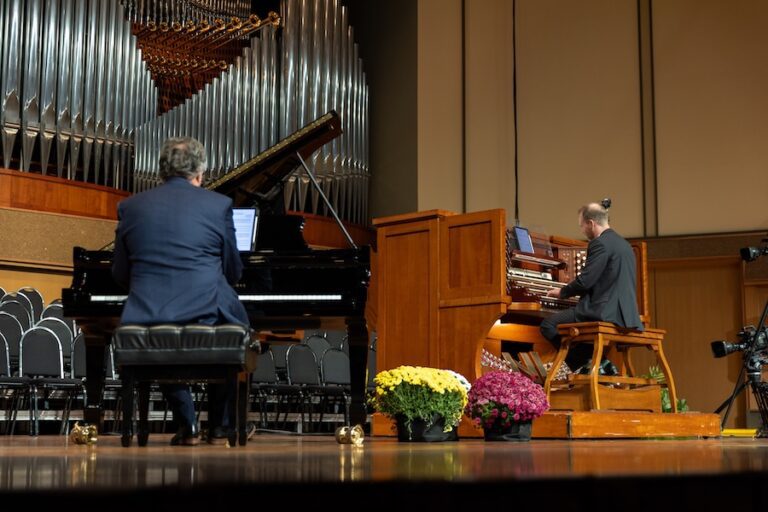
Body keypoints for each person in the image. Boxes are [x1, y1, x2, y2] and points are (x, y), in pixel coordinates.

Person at [112, 137, 249, 446]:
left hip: (149, 311)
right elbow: (233, 270)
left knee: (160, 331)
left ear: (162, 171)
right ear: (200, 172)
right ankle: (220, 426)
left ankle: (187, 424)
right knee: (232, 325)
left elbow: (120, 273)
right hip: (205, 308)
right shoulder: (219, 205)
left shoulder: (130, 207)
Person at [539, 202, 643, 372]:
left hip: (601, 311)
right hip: (625, 314)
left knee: (548, 325)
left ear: (591, 223)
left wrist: (562, 292)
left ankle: (589, 365)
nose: (582, 230)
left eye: (581, 225)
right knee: (573, 332)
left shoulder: (599, 243)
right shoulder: (625, 245)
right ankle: (596, 363)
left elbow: (586, 281)